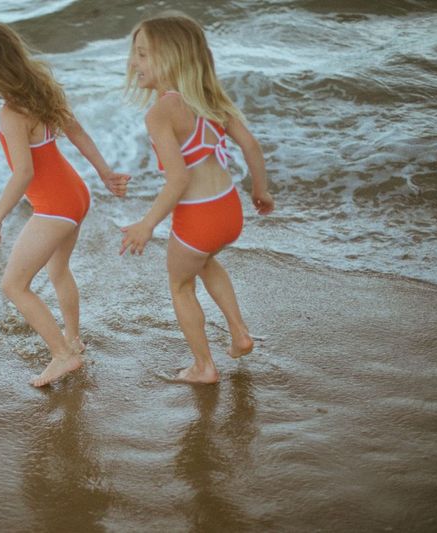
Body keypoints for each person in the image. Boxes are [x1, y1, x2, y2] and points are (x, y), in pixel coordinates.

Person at [0, 22, 130, 387]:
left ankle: (63, 355)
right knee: (58, 270)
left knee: (13, 286)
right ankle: (73, 339)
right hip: (75, 195)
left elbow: (24, 173)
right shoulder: (40, 92)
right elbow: (76, 131)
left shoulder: (11, 113)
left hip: (55, 206)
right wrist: (105, 172)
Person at [120, 12, 275, 384]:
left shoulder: (161, 112)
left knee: (180, 285)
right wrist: (261, 190)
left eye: (143, 54)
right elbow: (251, 146)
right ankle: (239, 334)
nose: (134, 63)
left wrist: (146, 224)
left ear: (171, 58)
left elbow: (178, 179)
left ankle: (204, 367)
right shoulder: (210, 97)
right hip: (229, 210)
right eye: (135, 53)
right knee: (205, 263)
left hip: (197, 219)